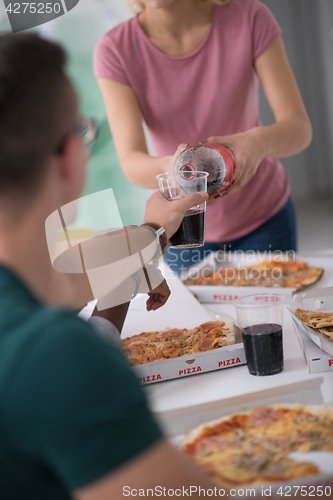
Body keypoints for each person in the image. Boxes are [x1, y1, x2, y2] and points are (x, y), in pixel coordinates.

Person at [0, 33, 218, 500]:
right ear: (70, 156)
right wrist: (152, 235)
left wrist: (143, 244)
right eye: (84, 129)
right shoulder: (58, 359)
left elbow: (62, 286)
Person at [94, 0, 312, 275]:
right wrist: (172, 168)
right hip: (184, 229)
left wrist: (257, 142)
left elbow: (299, 128)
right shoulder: (115, 49)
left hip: (264, 219)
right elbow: (131, 163)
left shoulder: (249, 16)